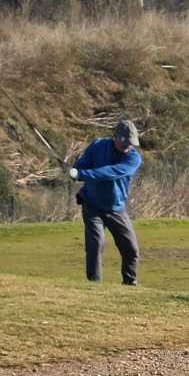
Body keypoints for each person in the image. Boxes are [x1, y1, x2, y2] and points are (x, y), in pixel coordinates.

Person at [70, 120, 144, 285]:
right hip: (92, 204)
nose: (129, 147)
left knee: (131, 248)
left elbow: (111, 172)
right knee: (96, 244)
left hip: (116, 208)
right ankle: (94, 285)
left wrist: (82, 174)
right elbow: (83, 164)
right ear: (115, 137)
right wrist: (75, 170)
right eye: (125, 142)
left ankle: (130, 282)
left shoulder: (133, 158)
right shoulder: (98, 146)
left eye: (132, 143)